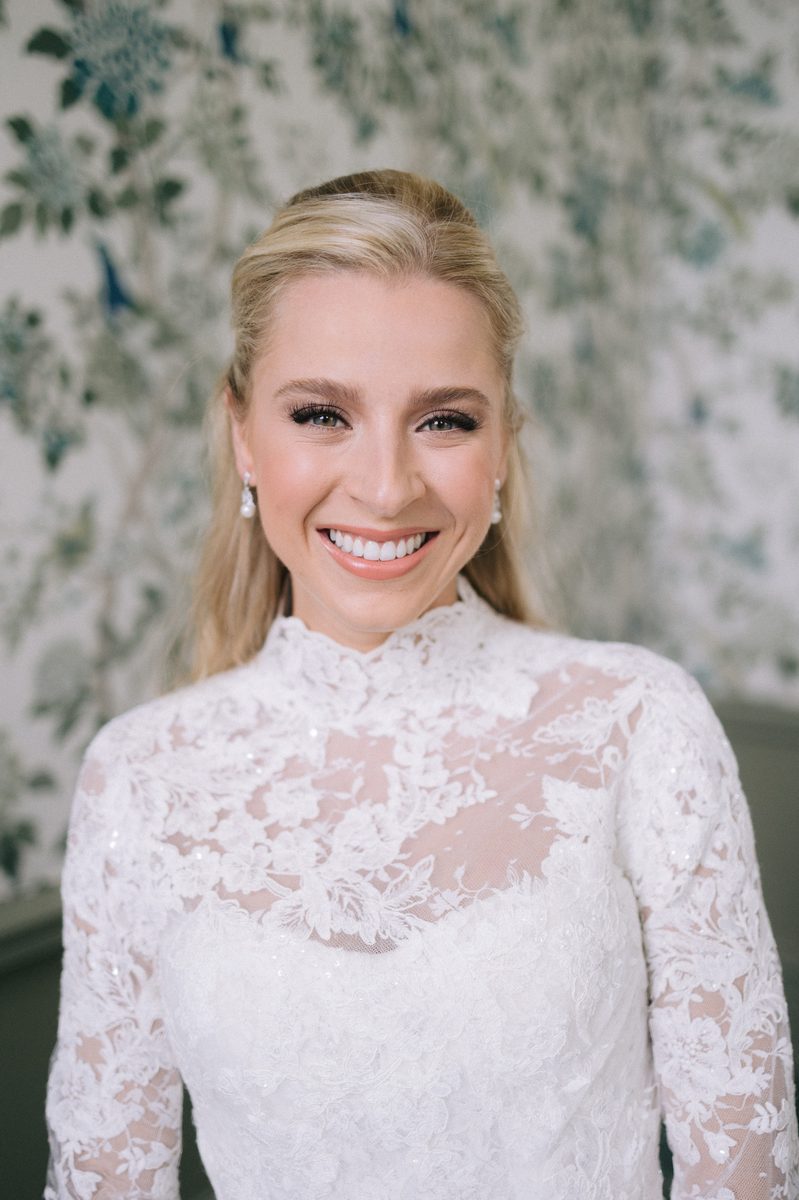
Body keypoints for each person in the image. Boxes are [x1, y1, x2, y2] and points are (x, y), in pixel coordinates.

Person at [45, 169, 798, 1200]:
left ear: (501, 449)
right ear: (241, 435)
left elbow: (743, 1175)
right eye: (321, 414)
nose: (387, 485)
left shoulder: (638, 723)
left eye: (443, 420)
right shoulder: (136, 776)